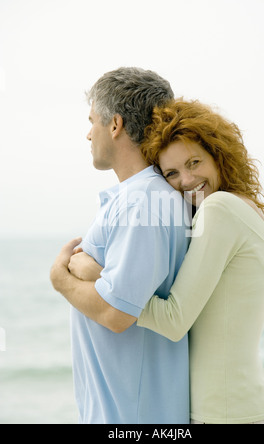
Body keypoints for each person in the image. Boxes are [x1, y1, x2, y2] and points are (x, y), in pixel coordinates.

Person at [71, 99, 264, 424]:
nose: (186, 180)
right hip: (242, 408)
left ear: (218, 154)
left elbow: (172, 320)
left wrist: (100, 275)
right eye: (171, 173)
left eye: (194, 162)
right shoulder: (244, 209)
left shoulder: (220, 210)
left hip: (226, 415)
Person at [50, 69, 191, 424]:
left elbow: (117, 315)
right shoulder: (147, 197)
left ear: (115, 125)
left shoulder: (141, 202)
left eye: (92, 121)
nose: (88, 133)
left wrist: (61, 279)